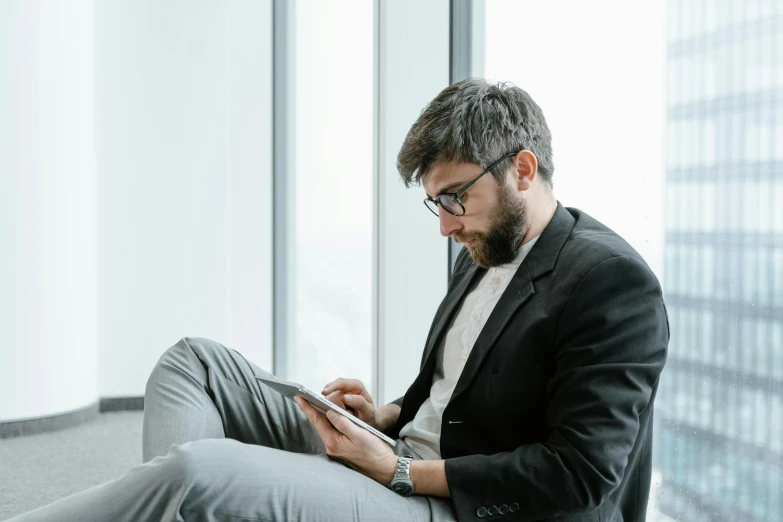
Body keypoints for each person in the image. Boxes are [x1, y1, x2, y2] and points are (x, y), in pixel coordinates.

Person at [9, 78, 668, 522]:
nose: (443, 223)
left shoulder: (611, 283)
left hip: (447, 502)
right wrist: (381, 416)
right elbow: (451, 392)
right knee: (194, 363)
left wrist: (402, 473)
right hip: (398, 454)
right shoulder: (488, 245)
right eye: (434, 203)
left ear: (522, 170)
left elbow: (579, 474)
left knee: (195, 471)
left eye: (452, 198)